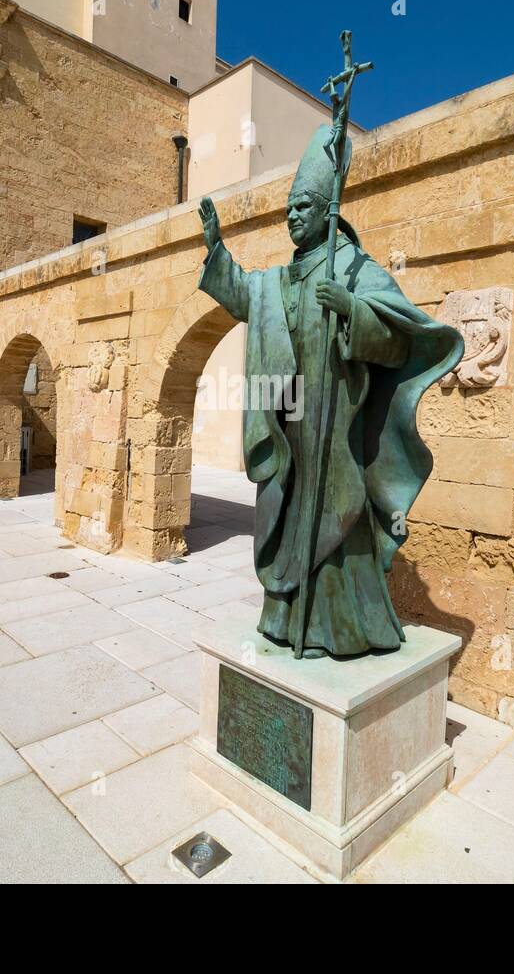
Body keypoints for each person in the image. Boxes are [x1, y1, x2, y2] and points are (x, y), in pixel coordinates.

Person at [196, 126, 462, 659]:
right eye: (288, 210)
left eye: (301, 208)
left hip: (336, 421)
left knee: (336, 516)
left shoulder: (356, 270)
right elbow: (244, 294)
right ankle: (284, 617)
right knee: (287, 509)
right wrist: (217, 251)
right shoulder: (279, 279)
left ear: (326, 212)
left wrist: (353, 310)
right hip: (289, 417)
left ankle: (336, 629)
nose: (292, 217)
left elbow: (395, 341)